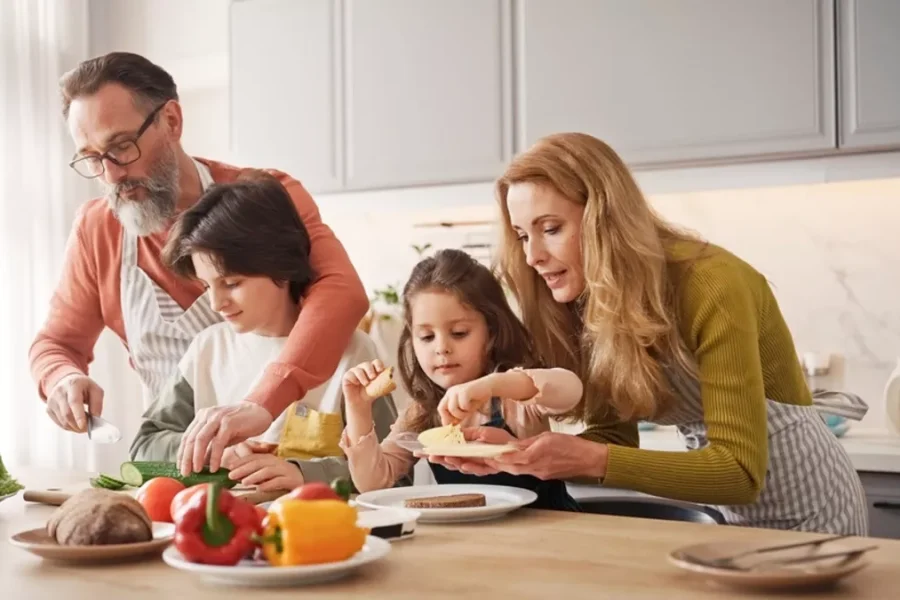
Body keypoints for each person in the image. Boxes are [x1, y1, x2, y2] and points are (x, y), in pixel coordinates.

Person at [433, 132, 868, 534]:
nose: (532, 256)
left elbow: (740, 473)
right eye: (522, 235)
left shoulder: (714, 284)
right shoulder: (588, 302)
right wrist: (515, 454)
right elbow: (612, 440)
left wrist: (592, 459)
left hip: (814, 510)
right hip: (731, 521)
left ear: (607, 217)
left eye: (551, 229)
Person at [28, 52, 368, 475]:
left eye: (121, 147)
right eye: (92, 158)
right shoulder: (98, 229)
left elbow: (341, 292)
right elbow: (56, 344)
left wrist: (259, 405)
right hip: (179, 471)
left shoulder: (265, 196)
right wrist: (62, 379)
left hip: (281, 465)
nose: (111, 175)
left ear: (171, 120)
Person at [129, 175, 397, 490]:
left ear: (281, 269)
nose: (216, 304)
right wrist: (215, 451)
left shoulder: (354, 351)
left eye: (231, 283)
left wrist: (305, 474)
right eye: (207, 286)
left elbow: (395, 472)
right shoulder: (207, 349)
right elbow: (144, 447)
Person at [339, 248, 584, 511]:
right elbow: (373, 483)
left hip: (548, 531)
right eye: (427, 337)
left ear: (492, 332)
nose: (441, 348)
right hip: (471, 538)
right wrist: (357, 407)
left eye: (458, 333)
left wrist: (493, 384)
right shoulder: (422, 413)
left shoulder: (515, 400)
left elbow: (570, 390)